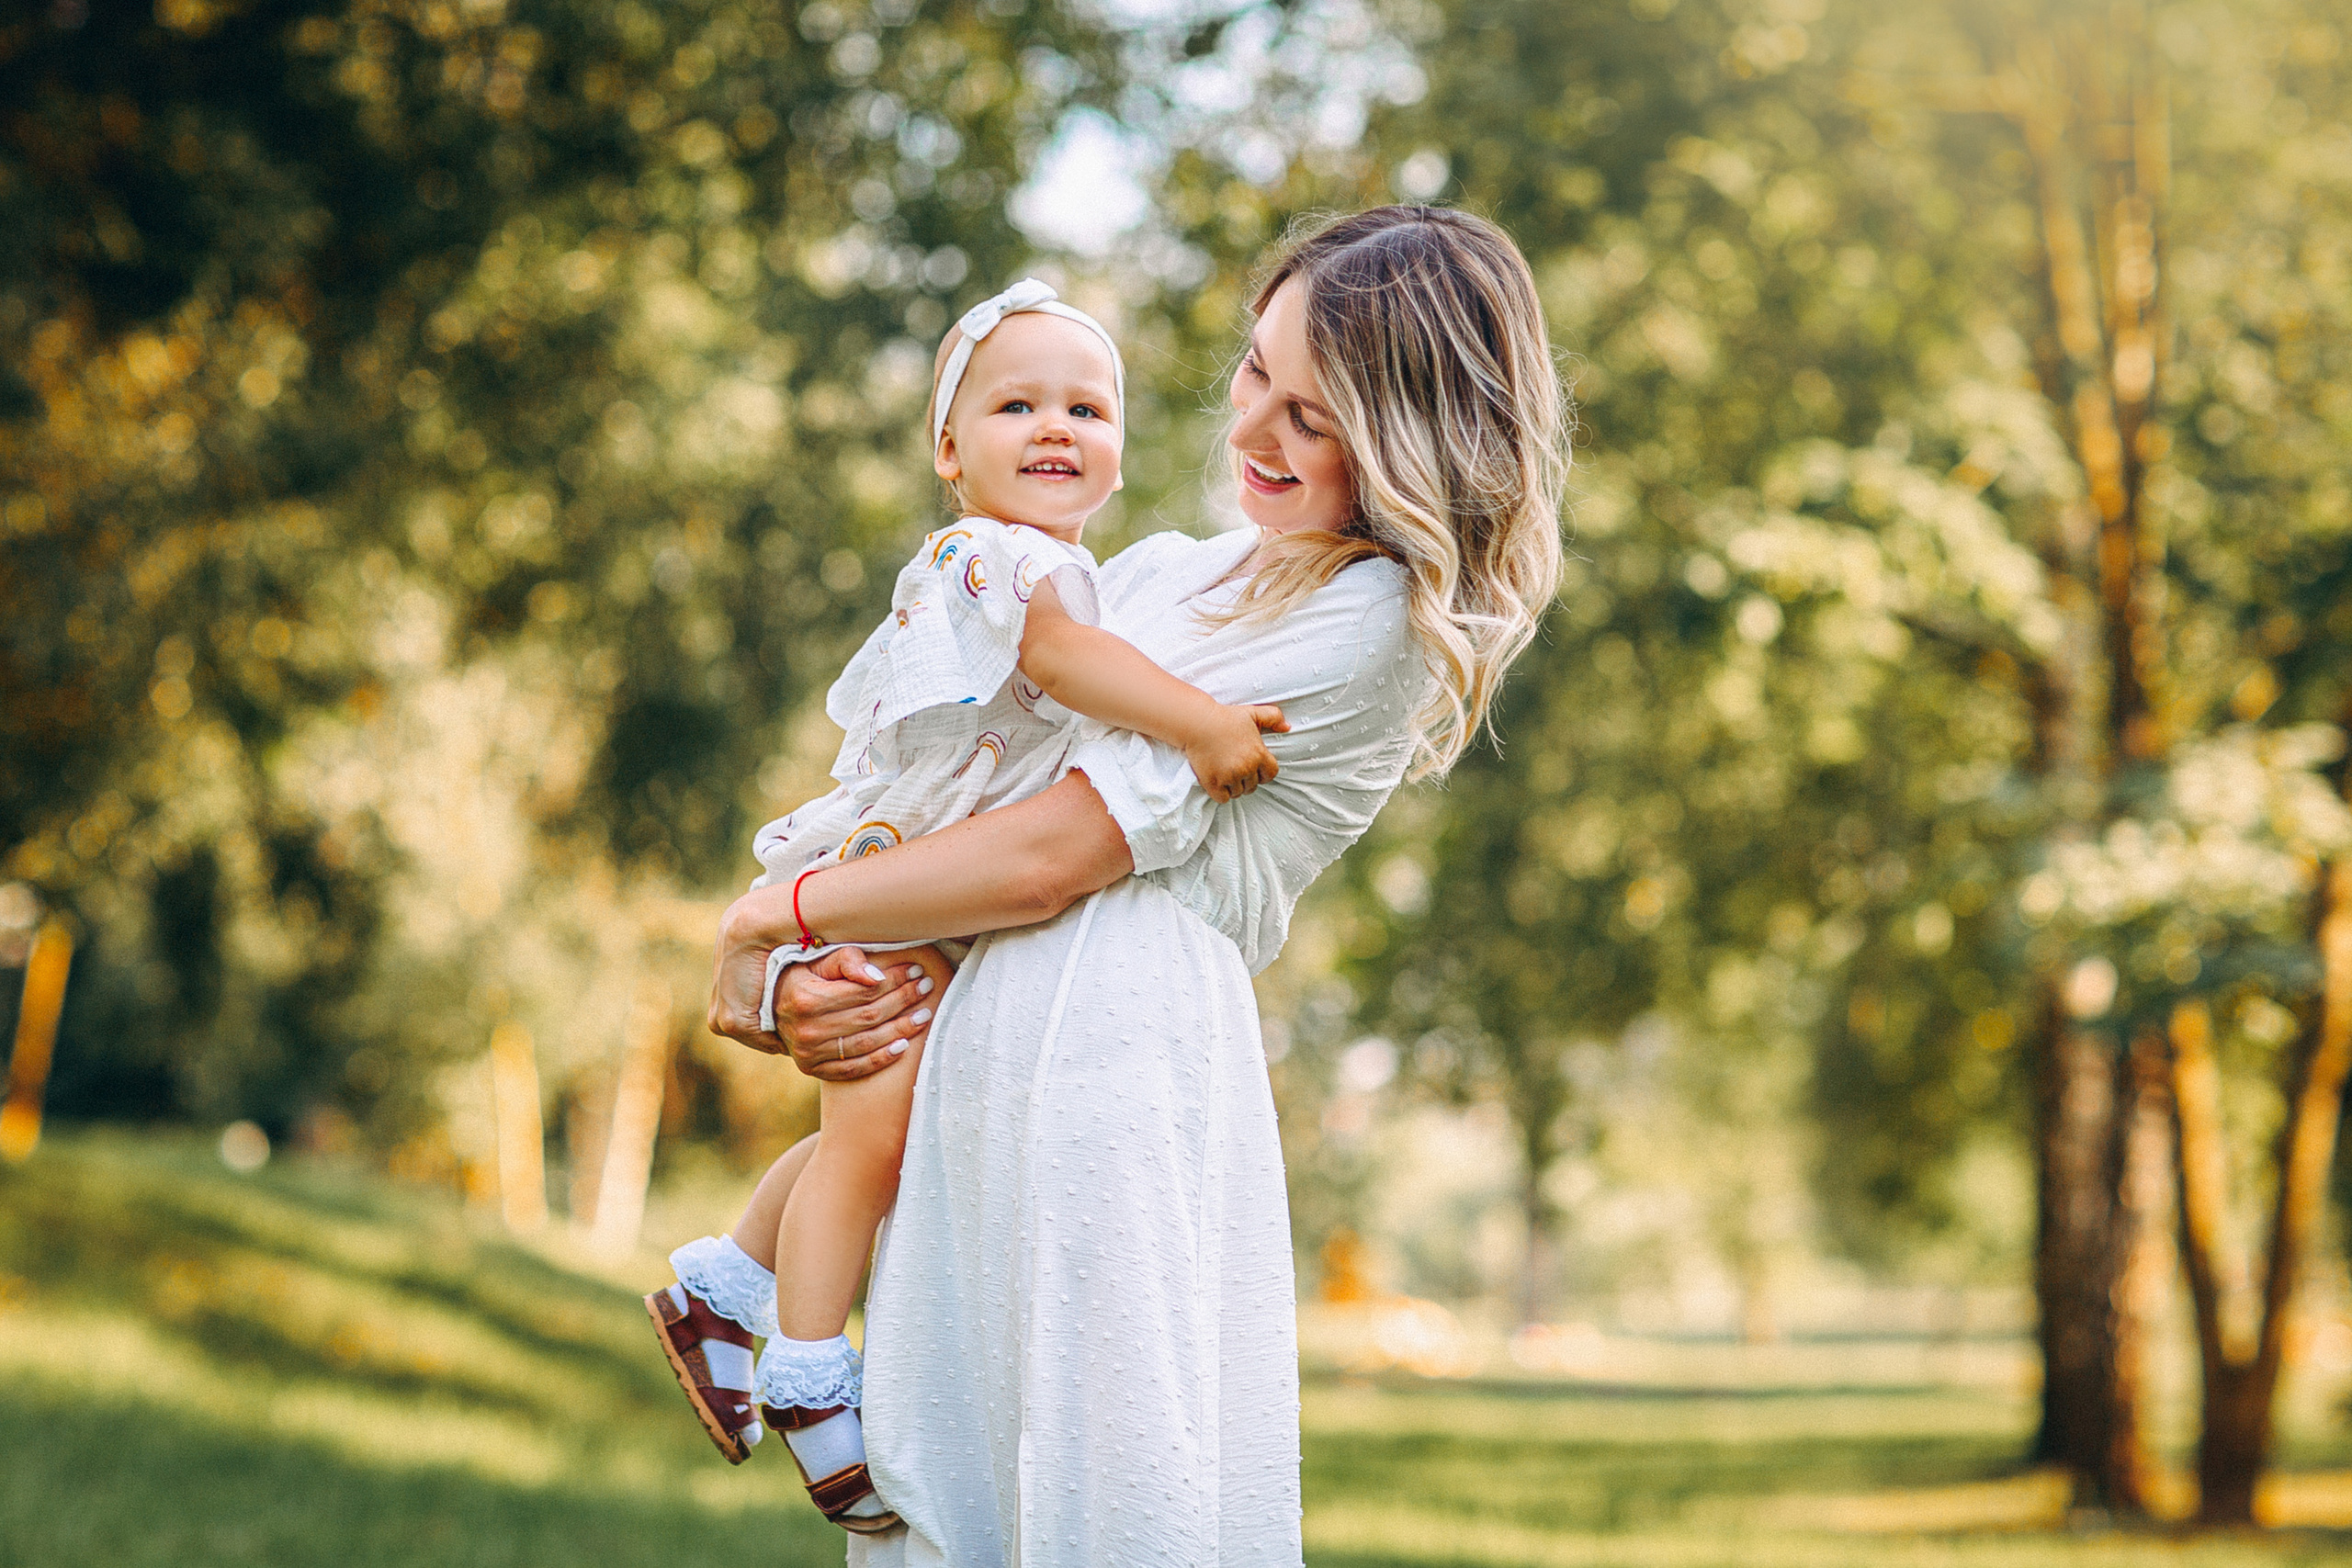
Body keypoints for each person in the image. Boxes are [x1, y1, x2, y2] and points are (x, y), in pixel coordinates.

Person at [708, 205, 1568, 1566]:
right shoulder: (1172, 571)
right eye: (1253, 376)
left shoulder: (1366, 626)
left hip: (1116, 1070)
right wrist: (828, 984)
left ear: (1418, 438)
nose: (1252, 434)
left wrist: (782, 914)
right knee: (958, 1498)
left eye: (1316, 415)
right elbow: (972, 792)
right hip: (980, 1065)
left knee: (1108, 1486)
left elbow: (1052, 856)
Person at [647, 278, 1291, 1534]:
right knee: (877, 1142)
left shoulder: (1077, 566)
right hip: (910, 872)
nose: (1056, 427)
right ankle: (813, 1372)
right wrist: (1200, 722)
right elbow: (1058, 667)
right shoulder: (990, 555)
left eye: (1087, 407)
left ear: (1118, 449)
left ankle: (722, 1285)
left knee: (890, 1127)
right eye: (1015, 405)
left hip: (946, 887)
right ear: (950, 453)